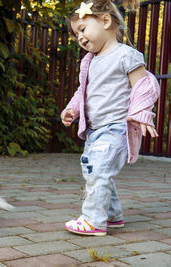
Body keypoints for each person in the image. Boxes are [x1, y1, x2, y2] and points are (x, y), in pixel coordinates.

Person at [61, 0, 160, 236]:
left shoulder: (125, 55)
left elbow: (145, 86)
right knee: (94, 170)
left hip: (116, 128)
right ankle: (113, 216)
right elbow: (82, 91)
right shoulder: (89, 62)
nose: (80, 38)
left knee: (97, 169)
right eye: (76, 35)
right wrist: (72, 109)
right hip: (96, 130)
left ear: (105, 21)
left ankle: (93, 220)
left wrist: (142, 114)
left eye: (83, 30)